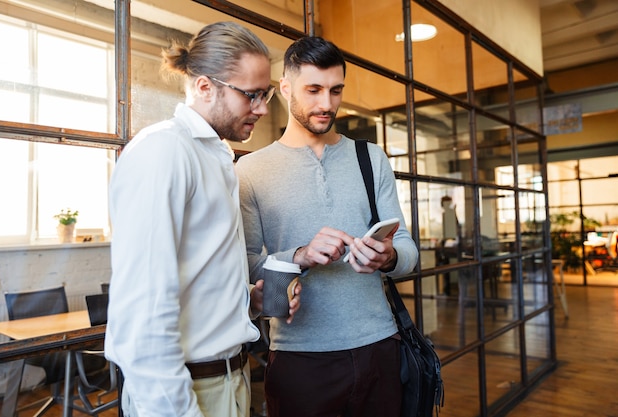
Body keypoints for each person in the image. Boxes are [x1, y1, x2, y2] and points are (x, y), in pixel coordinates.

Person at [105, 21, 300, 417]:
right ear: (204, 87)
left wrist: (247, 300)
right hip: (185, 392)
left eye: (264, 94)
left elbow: (198, 278)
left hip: (230, 381)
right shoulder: (164, 152)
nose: (263, 108)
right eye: (252, 95)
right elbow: (142, 316)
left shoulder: (217, 157)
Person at [236, 36, 419, 417]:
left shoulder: (371, 158)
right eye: (314, 90)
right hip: (300, 359)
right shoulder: (249, 171)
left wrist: (388, 257)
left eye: (336, 91)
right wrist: (298, 256)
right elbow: (248, 265)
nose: (326, 104)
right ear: (285, 88)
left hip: (380, 347)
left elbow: (407, 249)